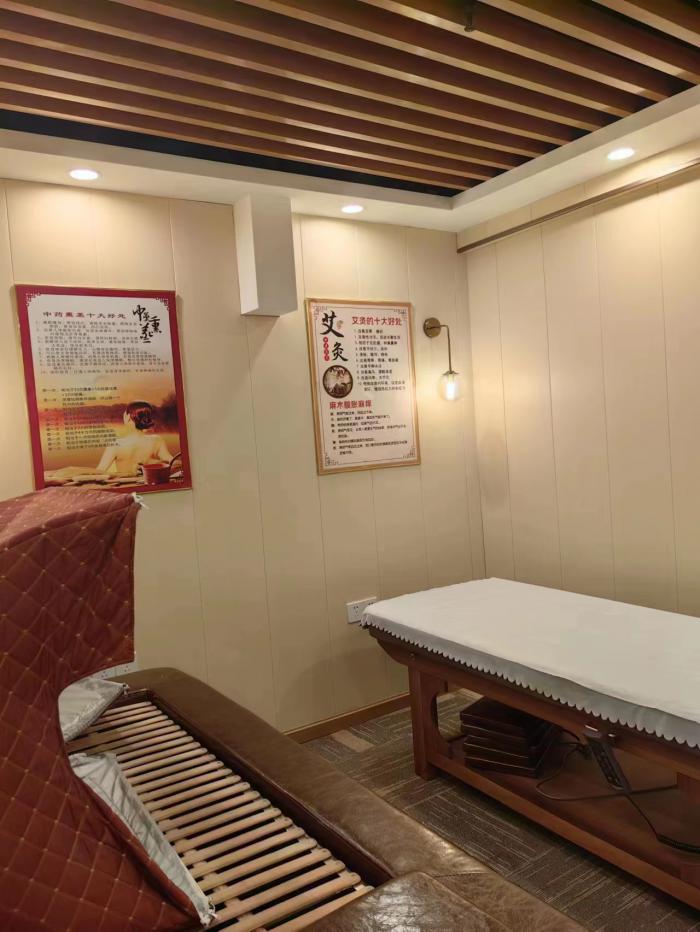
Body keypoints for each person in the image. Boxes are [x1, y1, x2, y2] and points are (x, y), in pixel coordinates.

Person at [97, 401, 172, 476]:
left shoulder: (115, 444)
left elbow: (99, 472)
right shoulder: (156, 440)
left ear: (128, 418)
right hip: (146, 480)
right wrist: (154, 462)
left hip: (125, 481)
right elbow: (172, 462)